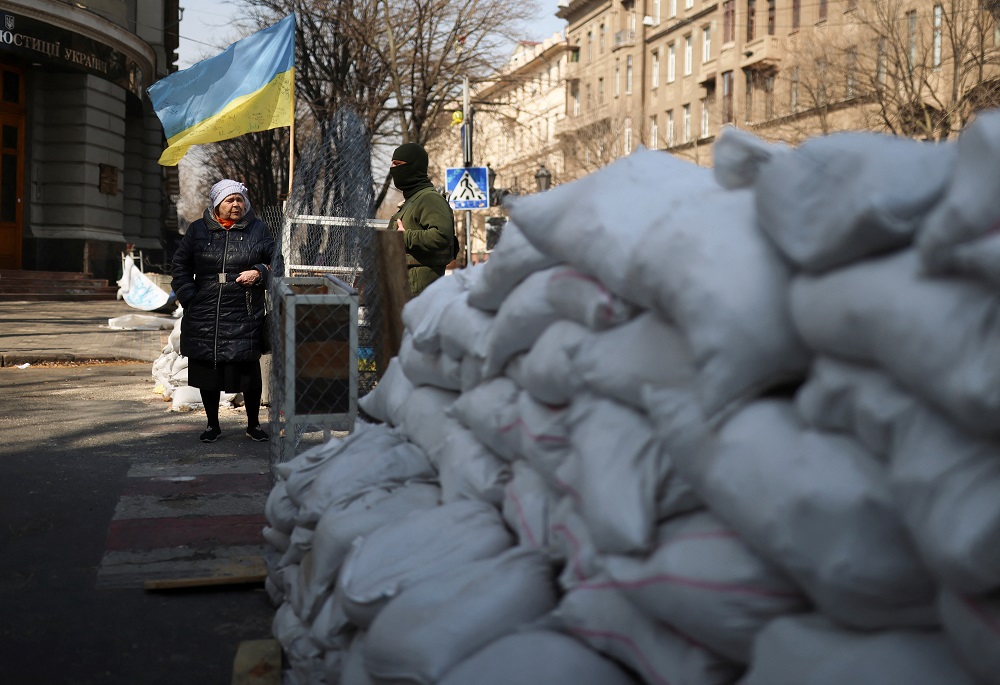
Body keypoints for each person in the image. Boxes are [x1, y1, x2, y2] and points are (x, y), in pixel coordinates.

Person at [171, 180, 276, 443]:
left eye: (240, 200)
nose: (236, 204)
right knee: (209, 370)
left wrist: (259, 272)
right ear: (217, 204)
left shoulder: (258, 230)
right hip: (204, 309)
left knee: (248, 371)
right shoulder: (198, 230)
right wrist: (189, 298)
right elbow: (180, 265)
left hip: (244, 309)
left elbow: (277, 261)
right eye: (230, 200)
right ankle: (212, 426)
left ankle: (253, 425)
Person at [387, 142, 457, 297]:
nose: (392, 169)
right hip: (408, 285)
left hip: (419, 290)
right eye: (392, 163)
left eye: (397, 164)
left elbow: (441, 236)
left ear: (414, 166)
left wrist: (404, 237)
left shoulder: (429, 198)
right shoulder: (413, 201)